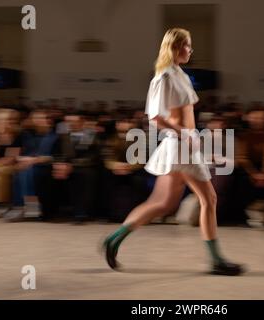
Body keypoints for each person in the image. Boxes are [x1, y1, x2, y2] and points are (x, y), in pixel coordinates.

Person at [102, 28, 244, 276]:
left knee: (162, 204)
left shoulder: (180, 75)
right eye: (187, 45)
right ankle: (216, 260)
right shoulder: (164, 77)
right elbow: (156, 117)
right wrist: (186, 134)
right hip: (179, 145)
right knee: (208, 199)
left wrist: (190, 135)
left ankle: (114, 239)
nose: (191, 50)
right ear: (175, 47)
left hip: (181, 144)